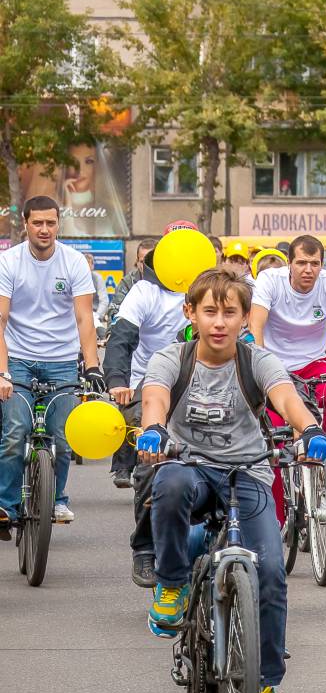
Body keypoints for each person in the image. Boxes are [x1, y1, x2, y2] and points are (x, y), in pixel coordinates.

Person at [136, 267, 326, 693]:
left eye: (230, 312)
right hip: (191, 467)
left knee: (270, 574)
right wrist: (155, 429)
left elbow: (285, 397)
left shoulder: (255, 361)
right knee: (169, 484)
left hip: (248, 473)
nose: (219, 322)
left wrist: (310, 430)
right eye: (209, 311)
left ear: (245, 318)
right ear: (191, 314)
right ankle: (173, 584)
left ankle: (264, 686)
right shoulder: (171, 359)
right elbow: (155, 398)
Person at [0, 196, 107, 533]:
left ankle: (58, 497)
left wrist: (92, 367)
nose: (44, 229)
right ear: (26, 225)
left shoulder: (74, 262)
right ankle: (6, 504)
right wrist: (2, 370)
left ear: (58, 224)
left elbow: (84, 318)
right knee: (16, 432)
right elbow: (0, 319)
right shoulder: (8, 262)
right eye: (37, 223)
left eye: (51, 223)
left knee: (63, 437)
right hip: (18, 359)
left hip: (62, 361)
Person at [248, 235, 326, 500]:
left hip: (314, 363)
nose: (308, 270)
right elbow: (255, 325)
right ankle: (279, 509)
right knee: (278, 436)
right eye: (302, 263)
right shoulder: (271, 281)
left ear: (322, 265)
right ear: (289, 264)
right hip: (274, 365)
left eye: (314, 264)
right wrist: (259, 364)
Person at [104, 243, 190, 585]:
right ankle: (145, 548)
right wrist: (116, 381)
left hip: (199, 385)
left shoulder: (206, 287)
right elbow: (121, 339)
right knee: (151, 460)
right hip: (146, 384)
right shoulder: (143, 291)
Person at [82, 252, 111, 325]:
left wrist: (97, 316)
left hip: (95, 313)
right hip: (79, 314)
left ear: (92, 266)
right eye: (84, 265)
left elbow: (104, 300)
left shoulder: (98, 278)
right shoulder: (74, 278)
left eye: (89, 264)